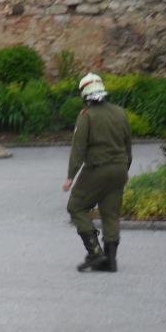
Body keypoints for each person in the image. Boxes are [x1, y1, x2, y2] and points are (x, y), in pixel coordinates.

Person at [63, 72, 132, 272]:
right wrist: (124, 169)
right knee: (110, 213)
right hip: (119, 168)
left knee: (76, 206)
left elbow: (78, 149)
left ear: (85, 94)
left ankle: (94, 252)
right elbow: (128, 145)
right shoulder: (120, 112)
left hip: (97, 168)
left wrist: (70, 176)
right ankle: (110, 261)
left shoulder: (87, 115)